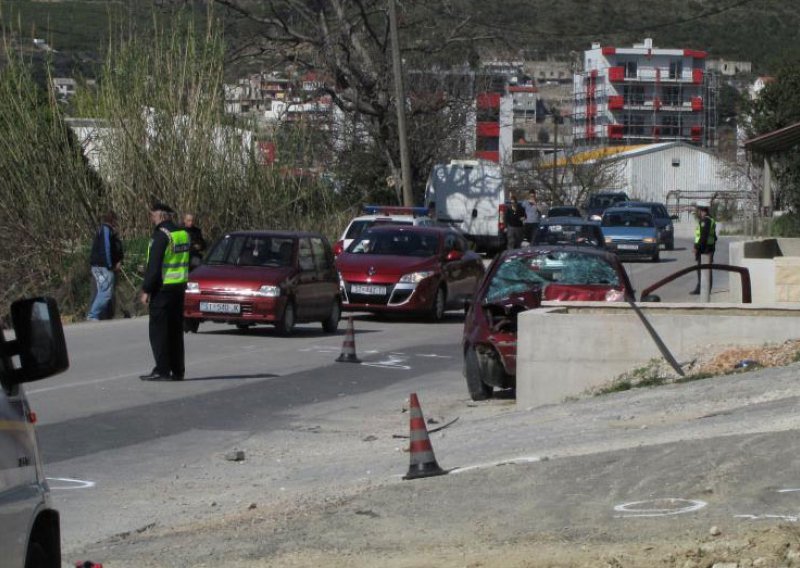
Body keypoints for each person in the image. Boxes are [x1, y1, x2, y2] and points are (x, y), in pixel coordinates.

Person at [140, 203, 191, 381]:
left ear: (161, 216)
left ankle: (162, 370)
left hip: (162, 290)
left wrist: (146, 289)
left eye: (153, 215)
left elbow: (154, 267)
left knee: (159, 332)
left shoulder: (162, 236)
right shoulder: (183, 234)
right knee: (175, 331)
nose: (151, 218)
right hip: (179, 288)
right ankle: (178, 370)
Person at [87, 211, 124, 321]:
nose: (117, 223)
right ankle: (93, 315)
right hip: (103, 267)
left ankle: (97, 315)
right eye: (116, 220)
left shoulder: (106, 231)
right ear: (112, 220)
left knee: (103, 291)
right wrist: (110, 265)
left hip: (101, 266)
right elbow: (106, 249)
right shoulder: (106, 230)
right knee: (106, 292)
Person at [690, 204, 716, 295]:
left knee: (703, 269)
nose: (697, 212)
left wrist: (697, 247)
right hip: (709, 247)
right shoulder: (710, 219)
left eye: (698, 210)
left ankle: (703, 288)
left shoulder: (705, 221)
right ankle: (703, 288)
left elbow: (703, 237)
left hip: (705, 249)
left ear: (701, 210)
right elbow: (714, 237)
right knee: (705, 268)